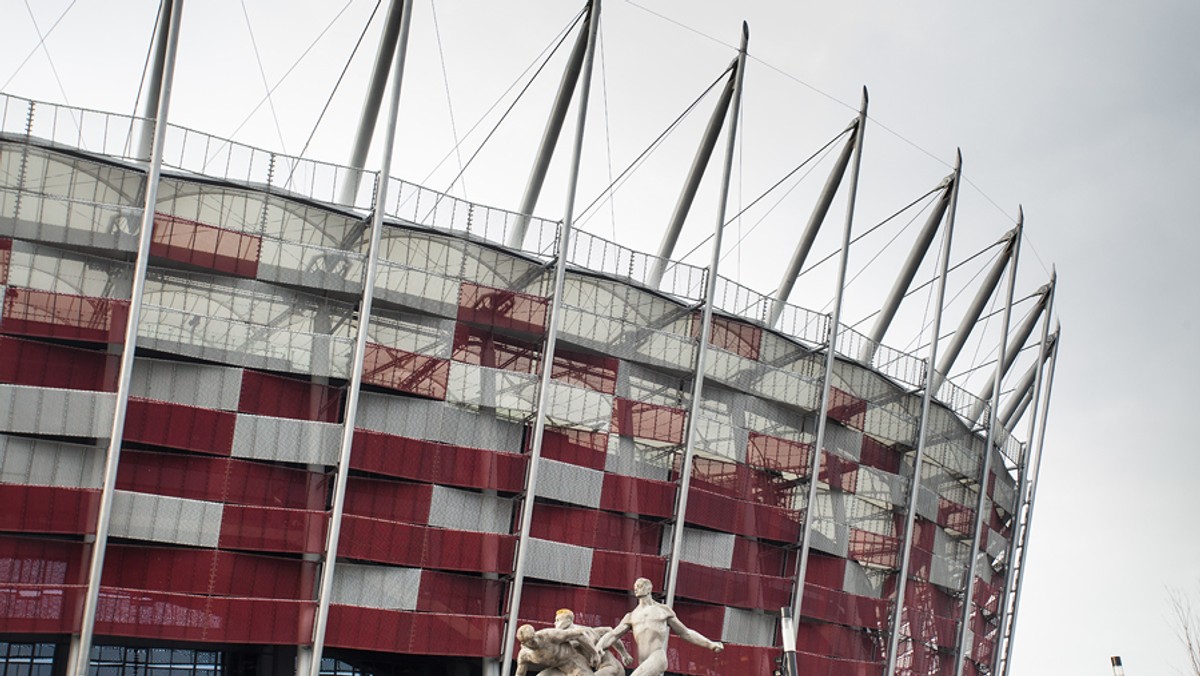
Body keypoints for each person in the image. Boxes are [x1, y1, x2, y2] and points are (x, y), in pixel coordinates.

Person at [595, 578, 723, 676]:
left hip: (657, 657)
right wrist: (598, 647)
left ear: (649, 589)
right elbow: (613, 635)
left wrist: (710, 644)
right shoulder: (631, 616)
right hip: (643, 663)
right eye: (635, 587)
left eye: (639, 586)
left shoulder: (663, 611)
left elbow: (686, 633)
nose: (636, 589)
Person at [552, 608, 633, 676]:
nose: (555, 623)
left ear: (568, 620)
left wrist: (624, 654)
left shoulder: (584, 631)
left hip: (612, 668)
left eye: (558, 620)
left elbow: (609, 631)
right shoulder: (566, 638)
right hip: (600, 669)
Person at [513, 622, 599, 676]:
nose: (535, 641)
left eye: (534, 637)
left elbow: (579, 635)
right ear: (524, 644)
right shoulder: (525, 655)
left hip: (573, 663)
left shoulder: (549, 635)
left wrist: (594, 653)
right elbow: (520, 673)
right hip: (558, 669)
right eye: (531, 641)